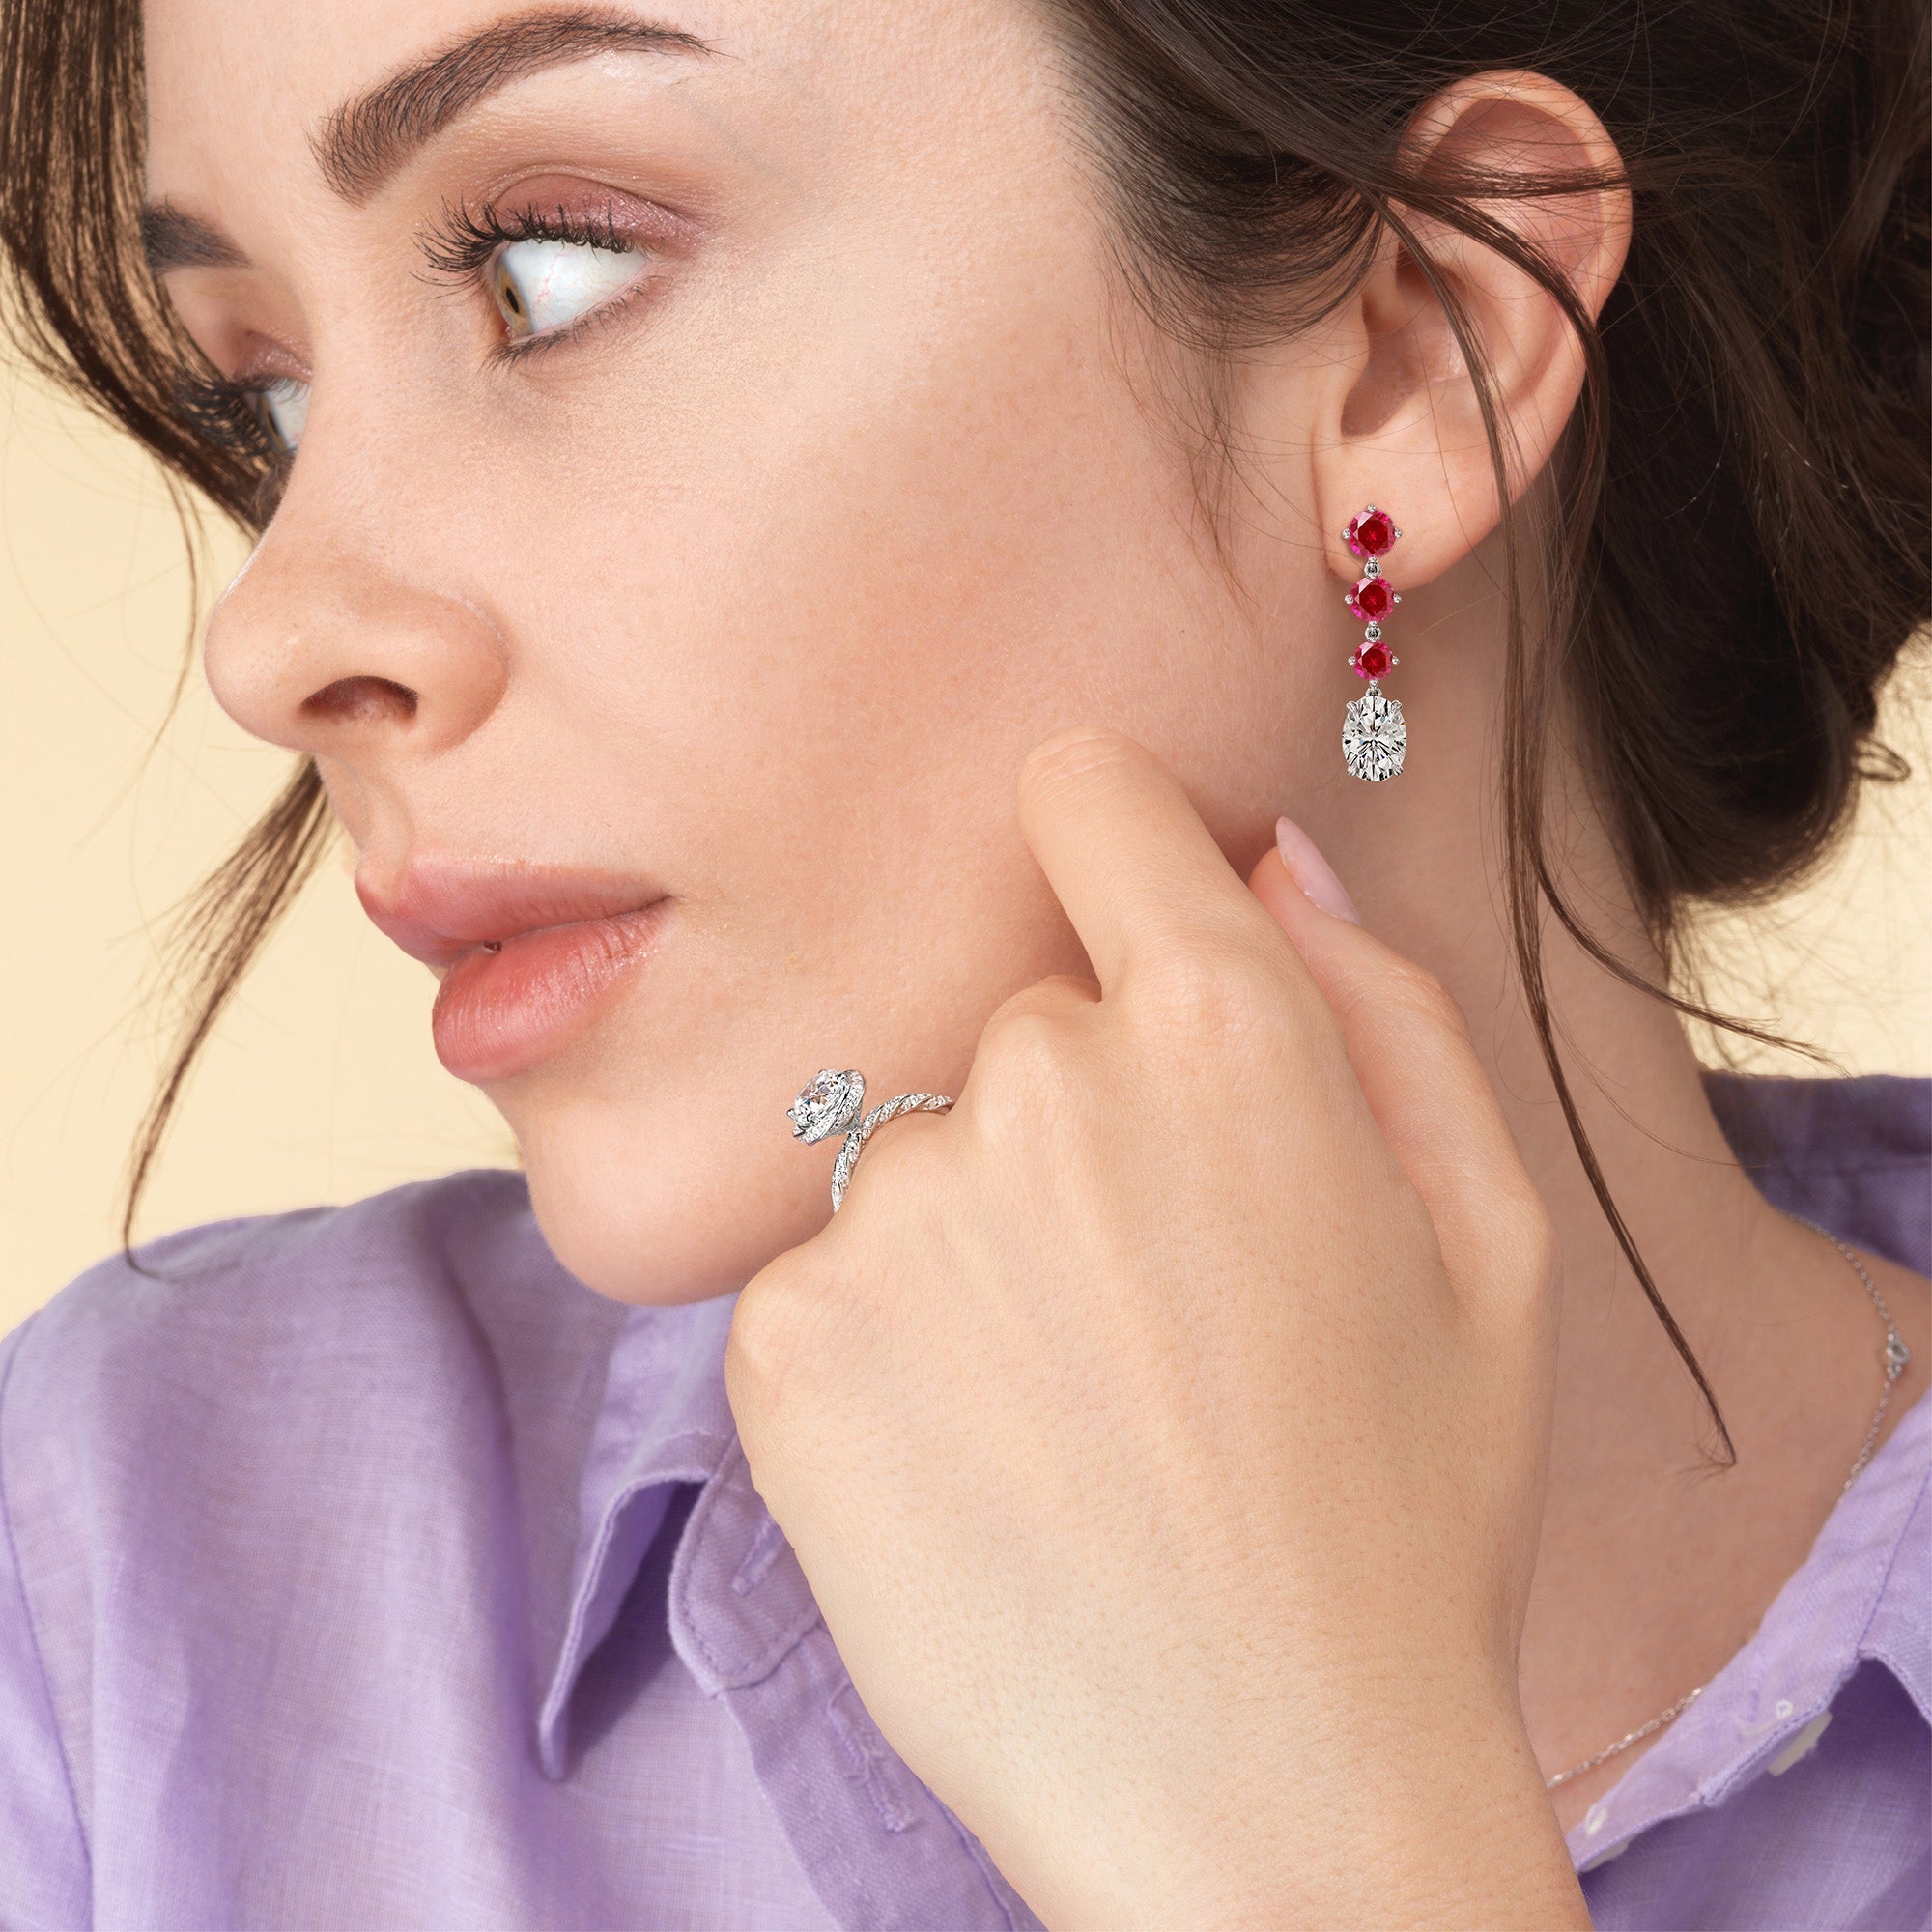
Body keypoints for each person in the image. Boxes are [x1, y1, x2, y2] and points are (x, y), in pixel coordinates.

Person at [0, 0, 1925, 1923]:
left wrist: (1308, 1843)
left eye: (546, 272)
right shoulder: (121, 1597)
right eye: (271, 392)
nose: (275, 641)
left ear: (1413, 349)